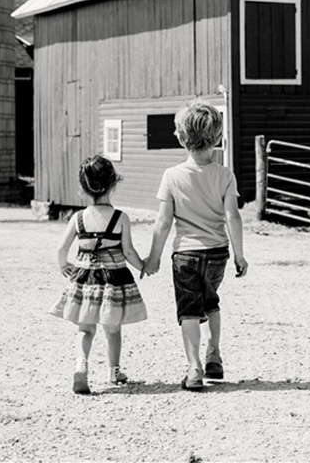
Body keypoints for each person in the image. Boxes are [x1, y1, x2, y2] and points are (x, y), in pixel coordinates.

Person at [144, 99, 249, 392]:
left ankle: (194, 368)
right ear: (217, 138)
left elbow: (163, 223)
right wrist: (240, 255)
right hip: (217, 253)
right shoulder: (225, 175)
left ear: (180, 137)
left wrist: (153, 258)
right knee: (211, 301)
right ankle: (214, 352)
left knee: (189, 310)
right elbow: (233, 216)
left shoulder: (172, 176)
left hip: (186, 255)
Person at [50, 155, 148, 395]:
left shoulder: (78, 218)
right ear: (113, 184)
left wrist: (65, 266)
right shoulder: (120, 218)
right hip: (113, 281)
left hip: (85, 278)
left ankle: (81, 367)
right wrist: (143, 266)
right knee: (112, 329)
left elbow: (62, 249)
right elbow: (127, 251)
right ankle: (114, 371)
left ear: (83, 188)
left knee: (85, 328)